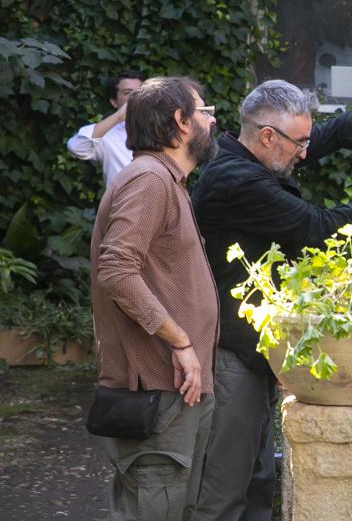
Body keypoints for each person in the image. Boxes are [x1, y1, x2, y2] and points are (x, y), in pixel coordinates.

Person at [191, 80, 352, 521]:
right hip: (230, 352)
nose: (306, 153)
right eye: (299, 142)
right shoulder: (235, 180)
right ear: (267, 135)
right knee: (225, 490)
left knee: (257, 482)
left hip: (254, 348)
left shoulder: (253, 154)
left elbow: (331, 134)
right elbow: (319, 228)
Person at [89, 76, 220, 520]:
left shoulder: (168, 180)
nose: (212, 118)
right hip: (158, 391)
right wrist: (180, 342)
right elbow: (117, 270)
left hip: (177, 393)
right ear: (181, 122)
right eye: (204, 111)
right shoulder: (149, 181)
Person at [67, 71, 145, 188]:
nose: (135, 97)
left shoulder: (165, 129)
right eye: (127, 93)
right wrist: (119, 116)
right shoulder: (106, 135)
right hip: (124, 204)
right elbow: (77, 147)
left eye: (141, 92)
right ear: (114, 102)